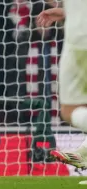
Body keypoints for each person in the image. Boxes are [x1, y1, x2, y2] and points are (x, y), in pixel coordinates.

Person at [36, 2, 87, 174]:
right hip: (78, 33)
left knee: (69, 110)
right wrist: (67, 11)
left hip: (79, 40)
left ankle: (84, 154)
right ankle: (84, 153)